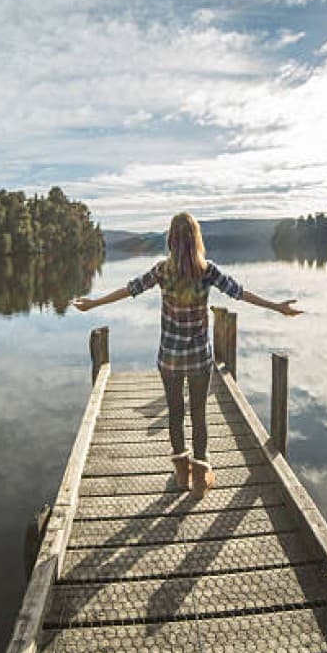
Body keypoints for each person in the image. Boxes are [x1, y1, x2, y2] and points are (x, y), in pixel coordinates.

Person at [72, 212, 301, 498]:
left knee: (175, 414)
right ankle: (200, 479)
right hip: (198, 360)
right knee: (199, 415)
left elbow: (129, 289)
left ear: (170, 239)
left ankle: (182, 472)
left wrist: (94, 303)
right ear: (196, 240)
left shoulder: (161, 271)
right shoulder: (208, 271)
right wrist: (277, 307)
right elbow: (240, 293)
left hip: (169, 357)